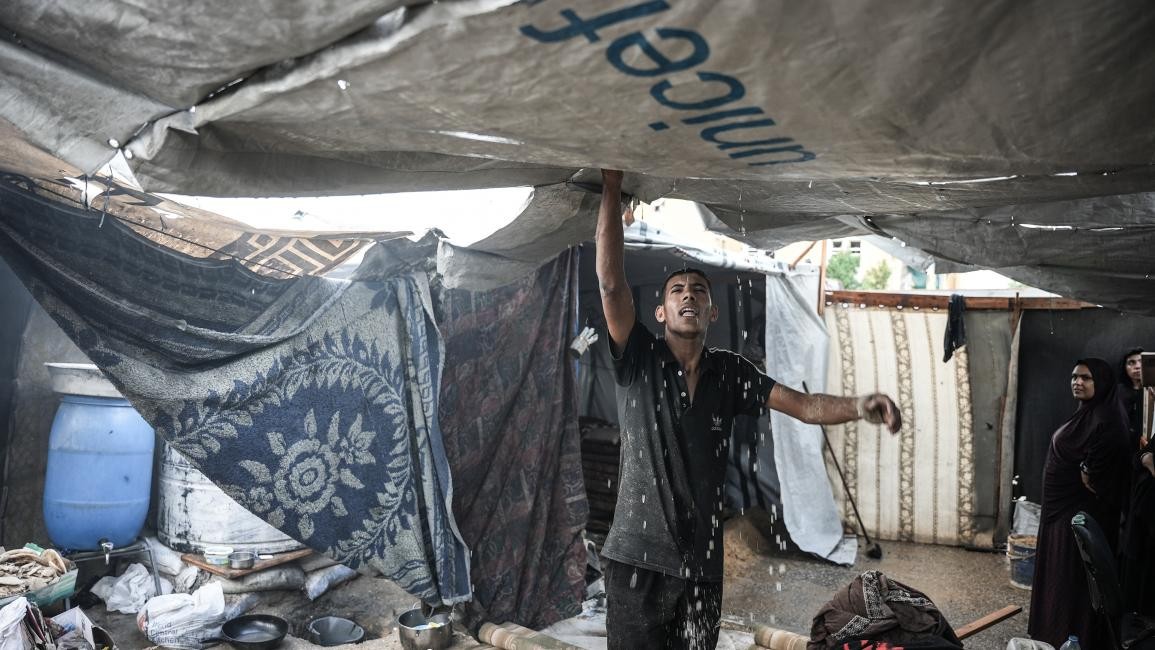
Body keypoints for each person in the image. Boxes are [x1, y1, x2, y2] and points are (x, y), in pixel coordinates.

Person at [594, 169, 902, 649]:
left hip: (702, 567)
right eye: (677, 290)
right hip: (638, 561)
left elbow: (804, 405)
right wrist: (612, 188)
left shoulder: (730, 372)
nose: (689, 295)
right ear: (660, 313)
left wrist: (861, 405)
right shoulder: (639, 359)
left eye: (699, 290)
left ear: (712, 312)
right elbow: (612, 286)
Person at [1028, 358, 1131, 648]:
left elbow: (1102, 476)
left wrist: (1087, 471)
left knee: (1072, 578)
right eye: (1074, 377)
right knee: (1059, 575)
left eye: (1086, 378)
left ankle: (1073, 636)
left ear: (1102, 382)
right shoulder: (1087, 415)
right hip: (1060, 513)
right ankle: (1053, 633)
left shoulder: (1108, 420)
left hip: (1079, 517)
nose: (1077, 382)